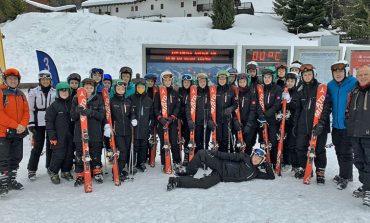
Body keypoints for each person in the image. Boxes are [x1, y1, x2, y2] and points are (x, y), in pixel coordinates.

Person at [166, 147, 275, 190]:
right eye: (255, 156)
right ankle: (188, 171)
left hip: (221, 176)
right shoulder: (244, 157)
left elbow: (271, 176)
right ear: (252, 155)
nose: (256, 159)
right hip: (220, 164)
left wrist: (266, 163)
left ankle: (176, 181)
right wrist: (216, 153)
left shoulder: (255, 173)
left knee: (205, 184)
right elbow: (229, 156)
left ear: (261, 161)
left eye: (259, 159)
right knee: (202, 153)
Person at [292, 64, 331, 184]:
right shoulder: (300, 89)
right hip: (303, 125)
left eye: (309, 74)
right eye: (305, 75)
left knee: (319, 150)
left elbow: (326, 108)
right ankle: (306, 168)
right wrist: (295, 125)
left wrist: (321, 124)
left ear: (314, 74)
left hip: (319, 125)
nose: (307, 77)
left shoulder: (322, 88)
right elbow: (298, 109)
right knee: (300, 148)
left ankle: (320, 171)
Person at [71, 78, 106, 186]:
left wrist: (91, 112)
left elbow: (101, 116)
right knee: (80, 153)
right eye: (86, 87)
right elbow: (72, 116)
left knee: (95, 152)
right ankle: (80, 174)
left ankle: (96, 170)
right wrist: (78, 110)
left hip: (95, 132)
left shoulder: (98, 99)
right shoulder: (76, 99)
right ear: (82, 88)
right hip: (80, 132)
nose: (89, 89)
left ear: (94, 89)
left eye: (91, 88)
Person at [327, 61, 357, 190]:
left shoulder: (354, 83)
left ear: (346, 72)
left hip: (348, 125)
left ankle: (345, 177)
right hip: (336, 125)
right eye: (335, 72)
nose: (338, 74)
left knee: (346, 152)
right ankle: (345, 174)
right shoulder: (330, 85)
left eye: (340, 71)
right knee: (338, 150)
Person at [0, 68, 30, 196]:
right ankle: (2, 184)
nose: (13, 81)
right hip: (3, 132)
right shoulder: (1, 93)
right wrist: (15, 125)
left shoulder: (20, 94)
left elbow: (26, 112)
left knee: (17, 157)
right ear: (5, 80)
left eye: (15, 79)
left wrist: (22, 125)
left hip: (18, 132)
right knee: (3, 159)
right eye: (10, 78)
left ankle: (11, 181)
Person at [345, 65, 370, 206]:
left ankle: (368, 189)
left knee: (369, 163)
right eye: (360, 75)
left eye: (366, 74)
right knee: (359, 161)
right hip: (355, 133)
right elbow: (348, 110)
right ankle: (366, 185)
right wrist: (348, 123)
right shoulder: (354, 91)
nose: (363, 77)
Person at [27, 70, 56, 180]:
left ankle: (49, 166)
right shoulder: (34, 92)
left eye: (47, 79)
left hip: (51, 121)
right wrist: (31, 124)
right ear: (39, 80)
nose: (45, 81)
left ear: (50, 80)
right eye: (42, 79)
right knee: (37, 146)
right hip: (38, 121)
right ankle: (32, 169)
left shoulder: (54, 91)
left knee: (51, 146)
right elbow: (30, 109)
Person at [45, 82, 74, 184]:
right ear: (58, 92)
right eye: (62, 90)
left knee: (69, 154)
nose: (64, 92)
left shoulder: (72, 104)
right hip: (58, 136)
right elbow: (49, 122)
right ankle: (53, 171)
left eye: (66, 90)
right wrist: (52, 136)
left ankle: (65, 171)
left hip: (70, 135)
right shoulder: (54, 106)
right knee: (58, 155)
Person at [154, 71, 181, 172]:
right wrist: (160, 118)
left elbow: (177, 107)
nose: (167, 81)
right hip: (162, 123)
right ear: (162, 81)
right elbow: (155, 108)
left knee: (174, 142)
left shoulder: (175, 93)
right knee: (164, 143)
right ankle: (164, 162)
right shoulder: (158, 94)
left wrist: (172, 117)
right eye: (165, 80)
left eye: (169, 80)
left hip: (172, 122)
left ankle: (177, 162)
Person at [185, 73, 213, 162]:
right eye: (201, 81)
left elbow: (212, 107)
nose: (203, 83)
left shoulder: (210, 92)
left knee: (206, 141)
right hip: (196, 122)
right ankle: (197, 159)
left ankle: (205, 159)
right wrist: (189, 120)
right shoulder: (193, 92)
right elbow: (188, 108)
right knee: (197, 142)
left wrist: (210, 120)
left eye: (204, 81)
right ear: (197, 82)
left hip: (206, 122)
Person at [129, 78, 154, 172]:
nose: (140, 88)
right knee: (134, 146)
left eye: (142, 87)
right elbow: (128, 112)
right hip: (134, 128)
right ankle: (133, 163)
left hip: (144, 127)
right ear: (136, 88)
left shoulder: (149, 100)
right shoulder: (131, 98)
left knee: (143, 146)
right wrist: (131, 119)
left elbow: (152, 115)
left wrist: (151, 124)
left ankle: (141, 163)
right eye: (138, 87)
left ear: (145, 88)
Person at [259, 68, 282, 166]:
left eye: (269, 77)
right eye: (265, 77)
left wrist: (267, 114)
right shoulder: (260, 88)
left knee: (272, 140)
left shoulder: (277, 89)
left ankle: (273, 161)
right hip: (261, 119)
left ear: (272, 78)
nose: (267, 79)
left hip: (272, 119)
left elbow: (277, 104)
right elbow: (257, 103)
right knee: (263, 140)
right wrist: (261, 115)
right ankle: (263, 160)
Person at [279, 72, 299, 175]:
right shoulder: (283, 91)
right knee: (284, 142)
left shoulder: (298, 92)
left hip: (293, 122)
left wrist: (290, 101)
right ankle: (285, 160)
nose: (290, 83)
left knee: (292, 143)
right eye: (288, 81)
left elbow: (298, 106)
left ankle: (290, 162)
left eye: (292, 81)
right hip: (283, 121)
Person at [215, 70, 238, 153]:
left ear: (227, 79)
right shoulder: (215, 90)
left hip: (227, 119)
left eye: (224, 79)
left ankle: (227, 157)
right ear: (217, 80)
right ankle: (219, 157)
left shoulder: (231, 90)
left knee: (226, 139)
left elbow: (235, 104)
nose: (222, 80)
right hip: (217, 119)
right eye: (220, 79)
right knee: (219, 139)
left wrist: (230, 109)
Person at [236, 73, 258, 155]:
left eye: (244, 81)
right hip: (239, 123)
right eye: (240, 82)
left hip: (250, 123)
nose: (242, 83)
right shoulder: (236, 93)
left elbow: (253, 110)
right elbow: (234, 108)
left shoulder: (251, 93)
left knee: (248, 143)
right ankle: (238, 159)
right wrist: (236, 121)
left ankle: (246, 161)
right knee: (239, 143)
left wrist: (249, 124)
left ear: (247, 82)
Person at [178, 74, 192, 164]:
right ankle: (178, 157)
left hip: (189, 118)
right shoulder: (179, 91)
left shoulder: (193, 91)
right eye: (184, 82)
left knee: (187, 138)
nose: (186, 83)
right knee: (179, 138)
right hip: (180, 118)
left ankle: (187, 157)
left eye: (188, 82)